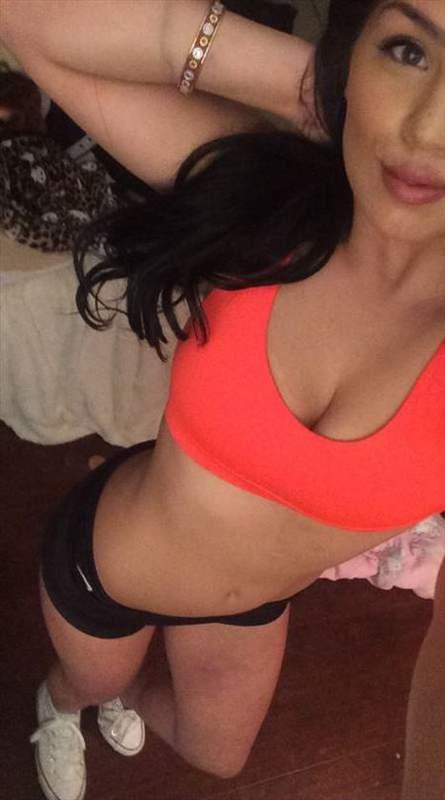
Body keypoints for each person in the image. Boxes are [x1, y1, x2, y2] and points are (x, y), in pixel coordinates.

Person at [1, 2, 444, 800]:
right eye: (407, 50)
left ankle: (116, 701)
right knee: (89, 681)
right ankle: (62, 707)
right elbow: (29, 24)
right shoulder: (274, 207)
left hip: (251, 605)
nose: (428, 129)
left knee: (217, 756)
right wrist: (333, 94)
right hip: (109, 570)